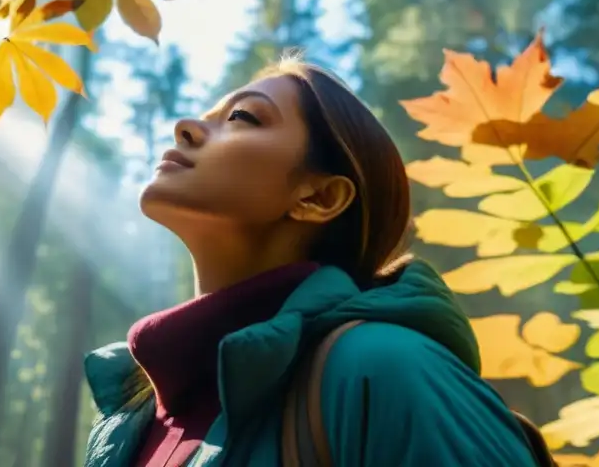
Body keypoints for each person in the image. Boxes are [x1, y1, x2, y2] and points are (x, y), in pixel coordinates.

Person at [83, 58, 542, 466]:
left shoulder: (384, 371)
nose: (185, 126)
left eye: (242, 116)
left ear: (319, 197)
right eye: (208, 116)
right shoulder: (130, 415)